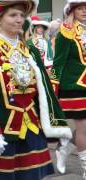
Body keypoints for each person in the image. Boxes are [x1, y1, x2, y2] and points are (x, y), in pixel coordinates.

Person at [0, 1, 72, 180]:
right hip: (0, 131)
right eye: (13, 15)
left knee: (32, 176)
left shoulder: (30, 51)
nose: (19, 20)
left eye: (21, 16)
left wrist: (59, 125)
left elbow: (46, 91)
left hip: (31, 128)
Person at [52, 1, 86, 178]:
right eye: (80, 9)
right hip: (73, 86)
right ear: (72, 11)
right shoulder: (65, 33)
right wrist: (53, 89)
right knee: (83, 128)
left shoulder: (85, 31)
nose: (84, 12)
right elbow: (58, 63)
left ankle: (63, 150)